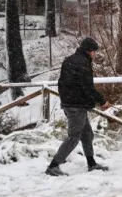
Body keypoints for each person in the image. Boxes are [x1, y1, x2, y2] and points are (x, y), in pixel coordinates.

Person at [46, 37, 111, 176]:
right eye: (94, 51)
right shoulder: (82, 63)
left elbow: (61, 83)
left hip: (72, 103)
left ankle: (92, 163)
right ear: (88, 51)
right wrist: (102, 101)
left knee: (87, 134)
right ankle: (53, 166)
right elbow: (87, 87)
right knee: (73, 137)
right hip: (76, 105)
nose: (94, 54)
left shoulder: (70, 60)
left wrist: (66, 100)